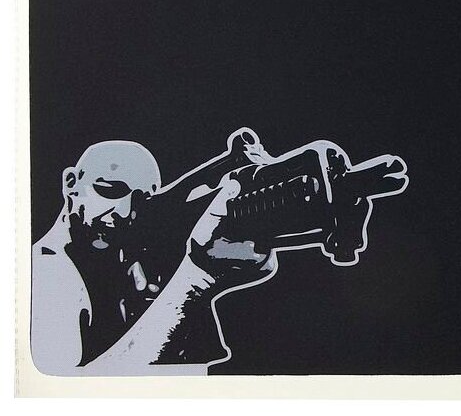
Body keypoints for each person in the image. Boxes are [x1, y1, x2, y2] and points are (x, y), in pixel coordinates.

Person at [31, 133, 277, 376]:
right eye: (111, 190)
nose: (125, 213)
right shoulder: (47, 270)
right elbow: (69, 387)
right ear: (71, 183)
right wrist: (196, 280)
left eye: (142, 201)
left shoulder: (118, 254)